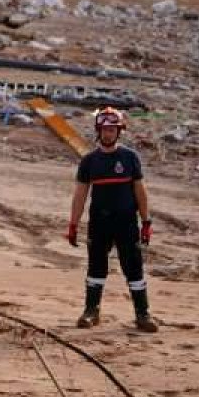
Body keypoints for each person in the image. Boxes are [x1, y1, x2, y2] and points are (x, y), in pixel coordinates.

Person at [67, 108, 158, 332]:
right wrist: (73, 224)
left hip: (126, 222)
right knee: (96, 268)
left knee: (134, 268)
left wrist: (146, 222)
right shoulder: (89, 161)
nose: (108, 134)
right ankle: (91, 312)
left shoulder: (129, 157)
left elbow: (140, 191)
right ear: (98, 131)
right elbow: (80, 194)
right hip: (99, 222)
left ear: (119, 132)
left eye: (112, 130)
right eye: (105, 130)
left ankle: (143, 315)